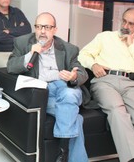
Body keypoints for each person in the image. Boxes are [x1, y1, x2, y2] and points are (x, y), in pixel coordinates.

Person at [78, 8, 134, 162]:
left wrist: (131, 46)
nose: (125, 26)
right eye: (124, 21)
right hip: (106, 81)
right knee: (117, 111)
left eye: (131, 24)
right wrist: (93, 64)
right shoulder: (105, 37)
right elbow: (83, 54)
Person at [7, 12, 88, 162]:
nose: (42, 31)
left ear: (55, 30)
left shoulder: (68, 48)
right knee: (75, 117)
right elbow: (11, 66)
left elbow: (82, 72)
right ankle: (64, 152)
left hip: (64, 87)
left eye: (47, 27)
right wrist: (30, 54)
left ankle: (62, 154)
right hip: (44, 93)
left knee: (69, 95)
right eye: (39, 27)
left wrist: (73, 77)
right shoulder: (23, 43)